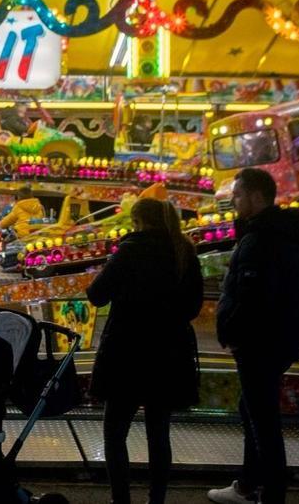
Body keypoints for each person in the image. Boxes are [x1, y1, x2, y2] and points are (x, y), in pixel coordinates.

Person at [208, 168, 299, 504]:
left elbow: (253, 297)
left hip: (260, 342)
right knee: (253, 408)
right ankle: (248, 483)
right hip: (280, 338)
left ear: (256, 196)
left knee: (262, 418)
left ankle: (269, 492)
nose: (233, 200)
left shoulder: (260, 239)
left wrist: (234, 333)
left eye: (237, 194)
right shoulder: (284, 234)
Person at [86, 199, 202, 504]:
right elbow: (193, 307)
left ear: (139, 221)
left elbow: (96, 295)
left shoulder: (130, 251)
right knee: (158, 433)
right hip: (168, 354)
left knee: (115, 432)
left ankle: (121, 499)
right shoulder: (185, 252)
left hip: (127, 352)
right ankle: (156, 500)